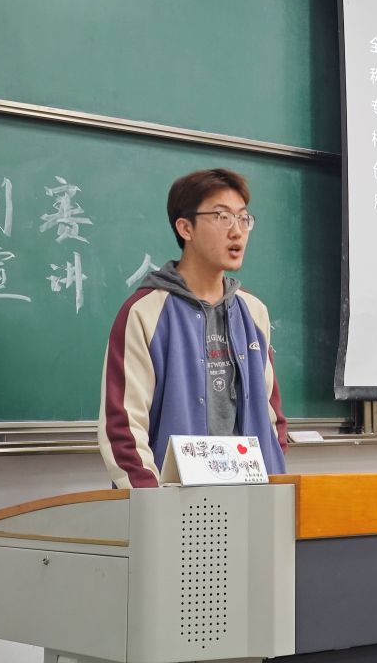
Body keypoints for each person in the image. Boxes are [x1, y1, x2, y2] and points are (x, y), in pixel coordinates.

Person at [98, 168, 287, 488]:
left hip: (254, 501)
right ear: (185, 227)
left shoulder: (253, 311)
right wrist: (154, 504)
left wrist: (274, 485)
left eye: (243, 218)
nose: (237, 231)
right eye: (222, 217)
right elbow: (124, 429)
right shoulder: (146, 312)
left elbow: (272, 416)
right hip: (173, 505)